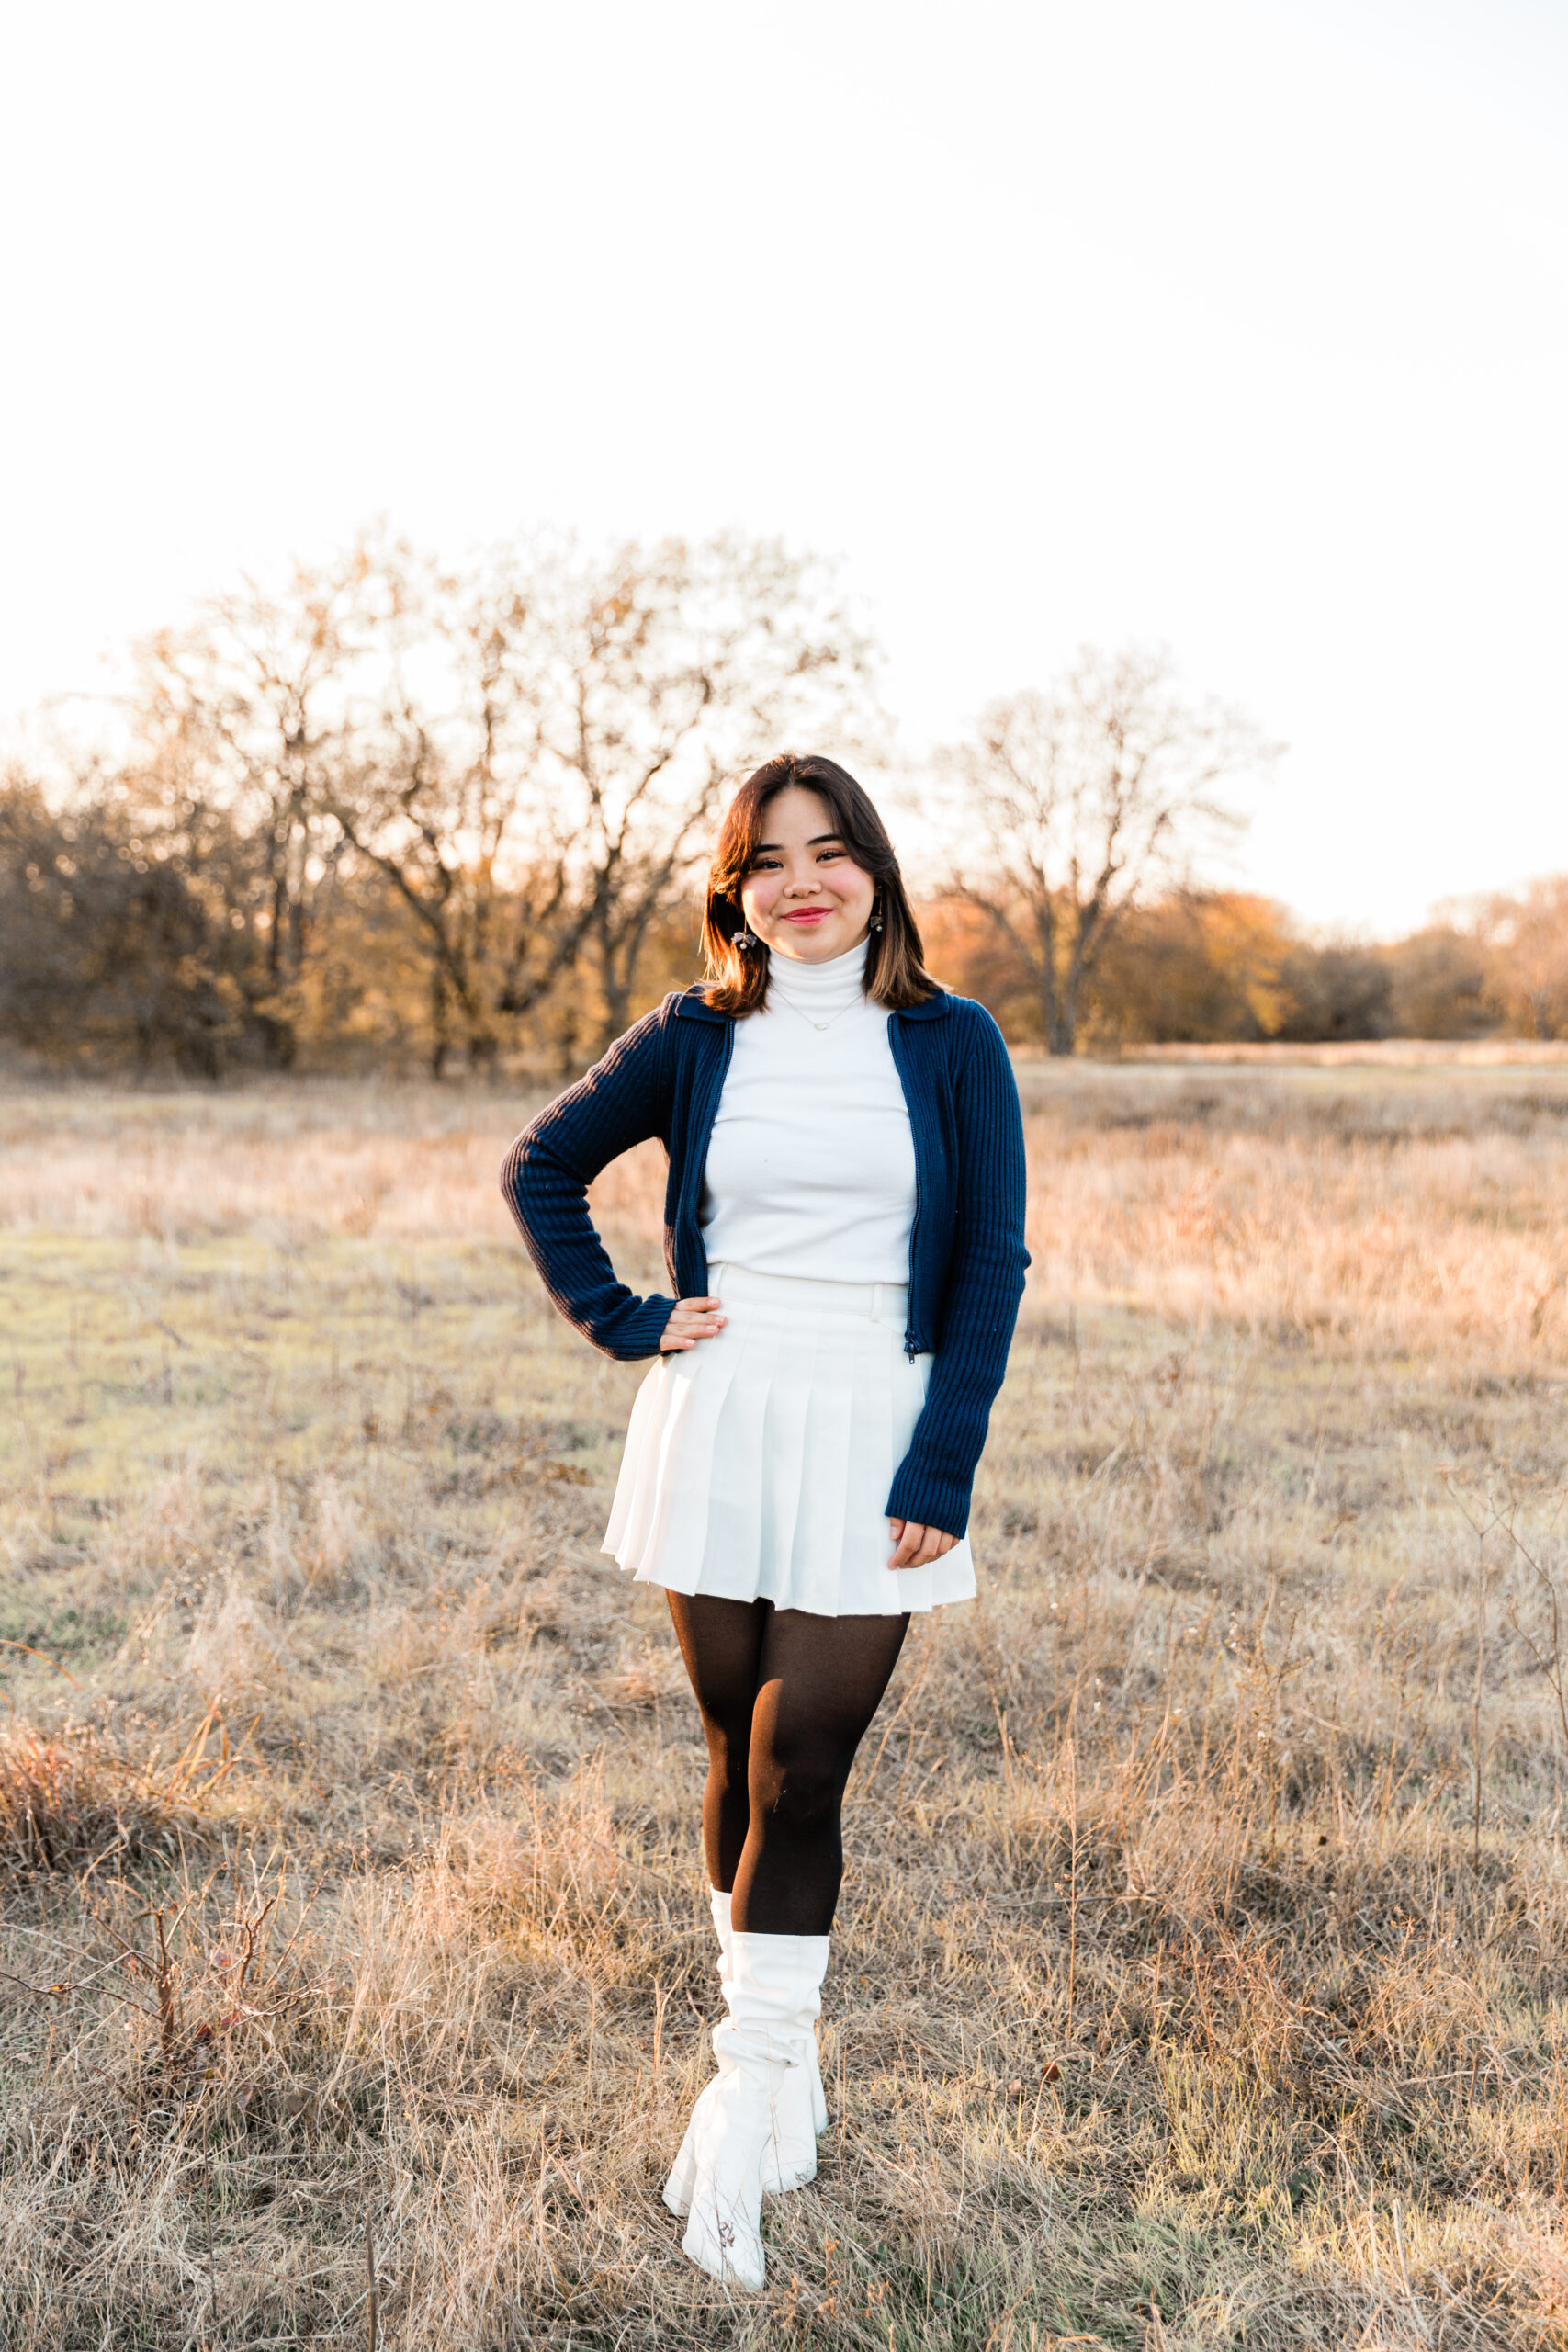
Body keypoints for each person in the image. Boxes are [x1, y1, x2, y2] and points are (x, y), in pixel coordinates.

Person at [500, 752, 1028, 2290]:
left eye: (833, 852)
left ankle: (749, 2079)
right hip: (721, 1405)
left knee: (806, 1765)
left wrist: (941, 1470)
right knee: (734, 1741)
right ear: (733, 889)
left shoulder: (952, 1040)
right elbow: (541, 1163)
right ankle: (783, 2063)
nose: (805, 881)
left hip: (876, 1406)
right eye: (770, 860)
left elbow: (990, 1264)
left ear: (877, 871)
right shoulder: (691, 1036)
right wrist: (622, 1317)